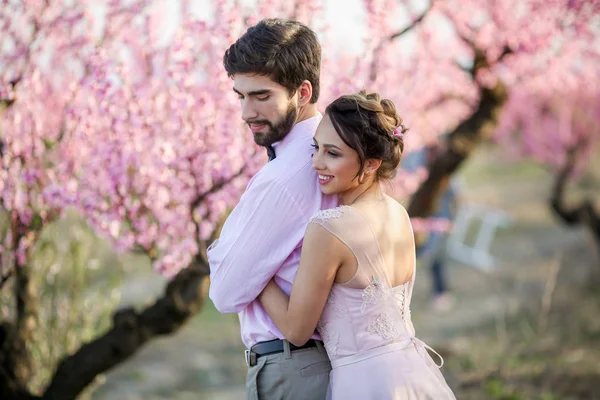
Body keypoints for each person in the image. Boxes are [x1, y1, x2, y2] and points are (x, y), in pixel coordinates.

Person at [258, 91, 457, 399]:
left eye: (332, 154)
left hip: (366, 383)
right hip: (413, 374)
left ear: (371, 163)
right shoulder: (400, 214)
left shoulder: (329, 228)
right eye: (316, 148)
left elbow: (297, 331)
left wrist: (258, 271)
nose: (316, 163)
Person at [207, 18, 337, 400]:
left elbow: (226, 292)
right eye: (240, 96)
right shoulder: (336, 153)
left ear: (303, 91)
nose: (247, 112)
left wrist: (229, 256)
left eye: (261, 96)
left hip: (290, 369)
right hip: (311, 362)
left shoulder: (286, 176)